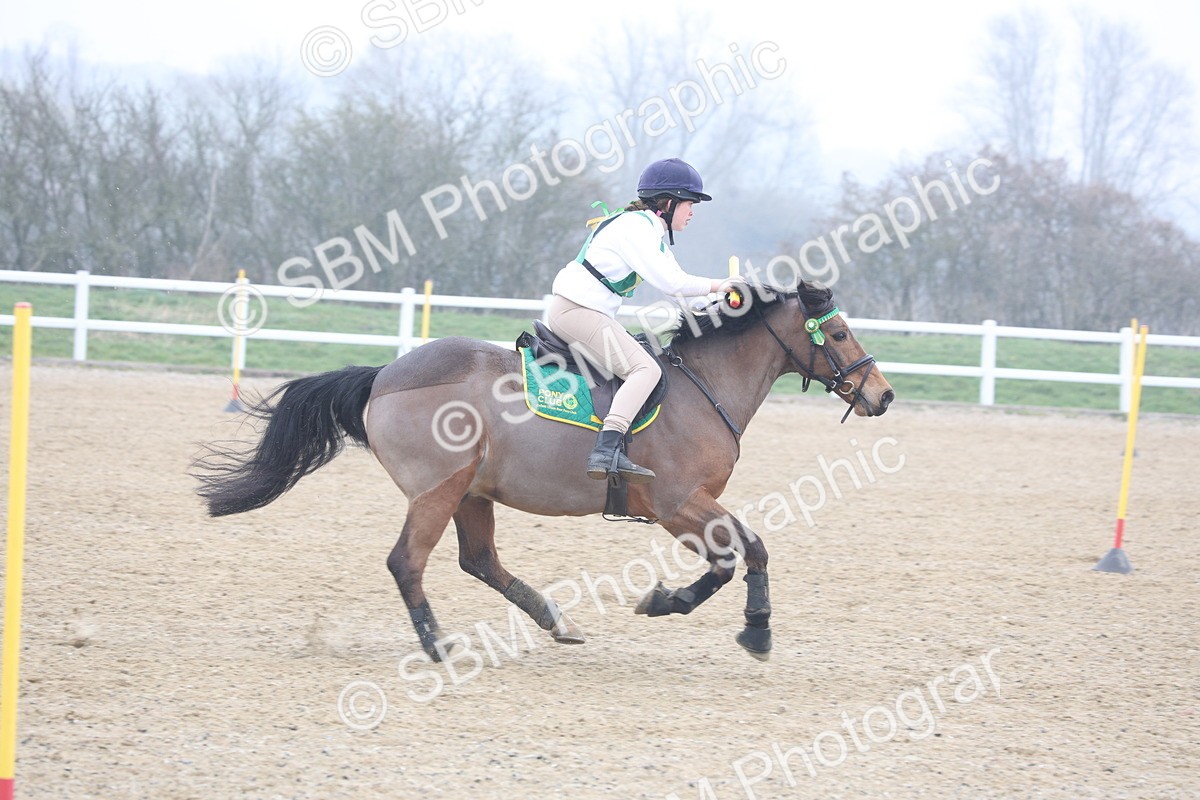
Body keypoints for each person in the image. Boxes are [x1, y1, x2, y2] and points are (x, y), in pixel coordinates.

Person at [546, 157, 737, 484]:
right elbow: (674, 284)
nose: (692, 212)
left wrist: (726, 300)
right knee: (644, 369)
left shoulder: (648, 231)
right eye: (690, 204)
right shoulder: (635, 228)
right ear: (669, 202)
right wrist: (723, 284)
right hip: (576, 313)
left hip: (582, 312)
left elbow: (678, 287)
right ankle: (606, 450)